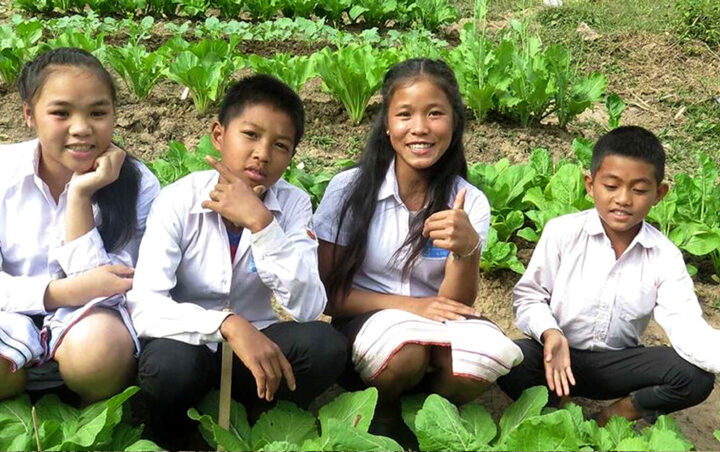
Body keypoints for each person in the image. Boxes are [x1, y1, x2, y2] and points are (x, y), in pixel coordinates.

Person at [127, 74, 346, 446]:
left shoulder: (292, 205)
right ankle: (172, 429)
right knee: (169, 367)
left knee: (325, 345)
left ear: (291, 156)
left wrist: (261, 223)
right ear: (218, 135)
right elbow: (145, 306)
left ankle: (263, 420)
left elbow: (309, 307)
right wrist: (226, 323)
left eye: (280, 145)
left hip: (256, 350)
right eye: (250, 135)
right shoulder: (177, 200)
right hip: (189, 345)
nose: (263, 153)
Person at [313, 58, 523, 438]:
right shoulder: (348, 190)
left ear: (454, 121)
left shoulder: (468, 201)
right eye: (405, 114)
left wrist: (466, 249)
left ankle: (432, 418)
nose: (420, 128)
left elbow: (455, 304)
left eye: (435, 113)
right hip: (368, 328)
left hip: (440, 325)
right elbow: (328, 296)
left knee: (485, 356)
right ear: (388, 125)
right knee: (408, 350)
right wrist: (411, 307)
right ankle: (386, 413)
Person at [497, 126, 719, 425]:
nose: (624, 199)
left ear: (660, 193)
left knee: (694, 377)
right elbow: (529, 296)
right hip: (555, 356)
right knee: (509, 358)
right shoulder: (562, 233)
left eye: (639, 190)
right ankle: (557, 411)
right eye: (611, 186)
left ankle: (613, 415)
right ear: (590, 185)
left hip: (617, 366)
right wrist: (551, 333)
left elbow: (686, 326)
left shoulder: (664, 255)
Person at [0, 47, 160, 403]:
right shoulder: (2, 171)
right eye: (61, 113)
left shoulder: (139, 184)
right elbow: (91, 283)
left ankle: (82, 397)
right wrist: (62, 292)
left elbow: (117, 288)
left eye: (98, 113)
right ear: (29, 114)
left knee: (99, 351)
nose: (82, 129)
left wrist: (80, 198)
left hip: (91, 325)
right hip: (7, 317)